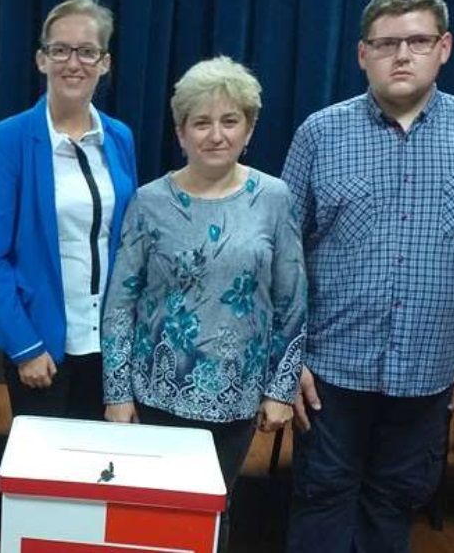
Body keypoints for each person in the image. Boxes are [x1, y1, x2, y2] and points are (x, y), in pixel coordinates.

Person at [282, 0, 454, 552]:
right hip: (330, 371)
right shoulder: (319, 133)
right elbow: (284, 253)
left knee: (395, 503)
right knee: (320, 499)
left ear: (444, 47)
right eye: (386, 44)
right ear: (363, 54)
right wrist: (288, 358)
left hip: (432, 373)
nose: (402, 55)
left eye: (418, 41)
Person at [101, 56, 306, 552]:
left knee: (215, 509)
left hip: (237, 397)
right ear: (180, 132)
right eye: (201, 122)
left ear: (249, 129)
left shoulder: (274, 198)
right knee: (150, 512)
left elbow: (292, 301)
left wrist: (281, 390)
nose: (216, 134)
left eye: (229, 121)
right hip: (155, 394)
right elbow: (120, 304)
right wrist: (117, 393)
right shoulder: (149, 201)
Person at [0, 0, 137, 420]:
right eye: (60, 50)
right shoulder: (6, 140)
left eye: (87, 51)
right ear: (41, 59)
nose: (73, 63)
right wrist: (25, 346)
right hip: (40, 344)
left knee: (99, 456)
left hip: (107, 342)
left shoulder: (120, 137)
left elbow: (127, 242)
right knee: (46, 458)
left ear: (105, 63)